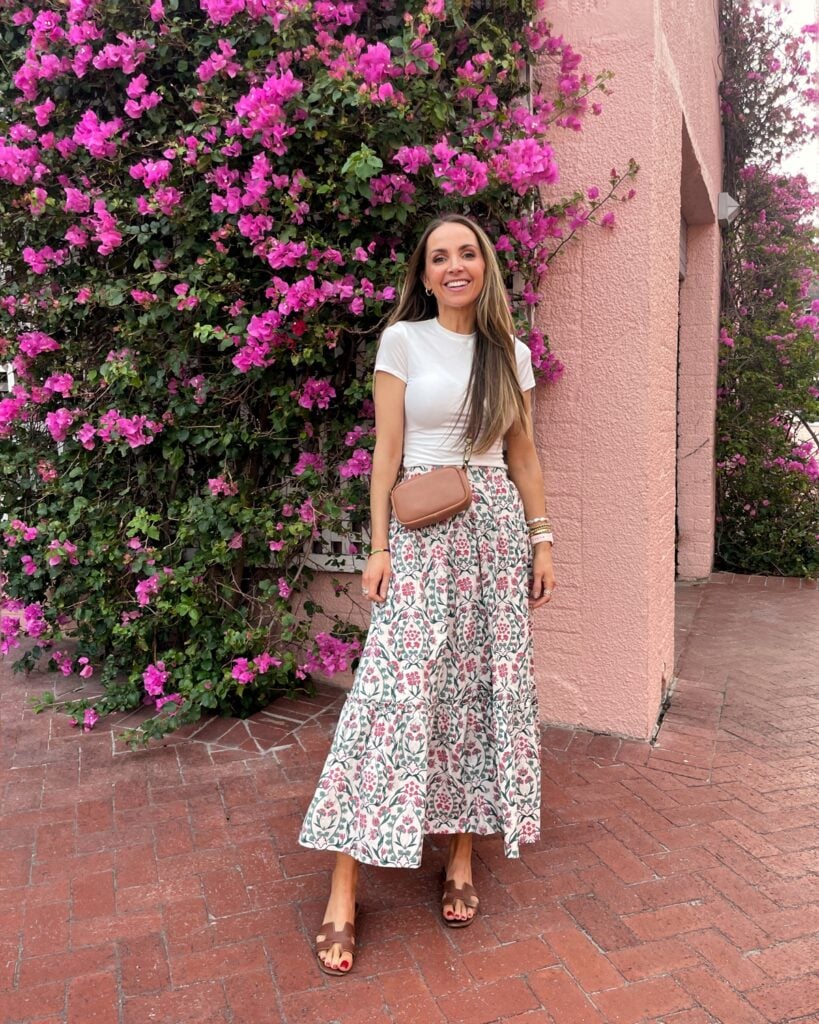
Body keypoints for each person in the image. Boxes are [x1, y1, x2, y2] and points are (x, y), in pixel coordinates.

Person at [298, 212, 556, 975]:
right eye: (438, 256)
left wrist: (542, 538)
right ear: (424, 271)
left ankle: (462, 860)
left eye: (465, 253)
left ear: (484, 266)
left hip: (495, 534)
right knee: (389, 696)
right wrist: (376, 546)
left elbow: (524, 456)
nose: (453, 266)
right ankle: (343, 886)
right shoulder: (402, 341)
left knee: (478, 692)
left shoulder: (509, 353)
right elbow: (384, 454)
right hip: (421, 529)